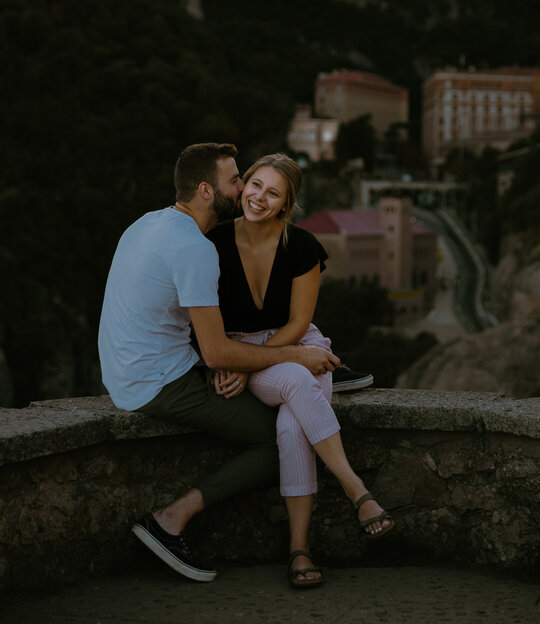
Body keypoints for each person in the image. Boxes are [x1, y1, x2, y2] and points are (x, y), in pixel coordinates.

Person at [98, 142, 340, 583]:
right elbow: (216, 353)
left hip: (124, 367)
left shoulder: (149, 223)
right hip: (156, 380)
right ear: (208, 191)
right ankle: (170, 519)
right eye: (236, 179)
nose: (244, 186)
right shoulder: (196, 249)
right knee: (273, 443)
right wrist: (297, 354)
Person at [210, 153, 394, 590]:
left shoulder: (304, 246)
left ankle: (299, 548)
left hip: (297, 344)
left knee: (293, 430)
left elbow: (296, 323)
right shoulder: (212, 242)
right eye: (254, 185)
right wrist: (236, 358)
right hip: (246, 350)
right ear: (244, 184)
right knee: (296, 379)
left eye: (273, 193)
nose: (259, 197)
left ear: (285, 203)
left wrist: (267, 357)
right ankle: (357, 491)